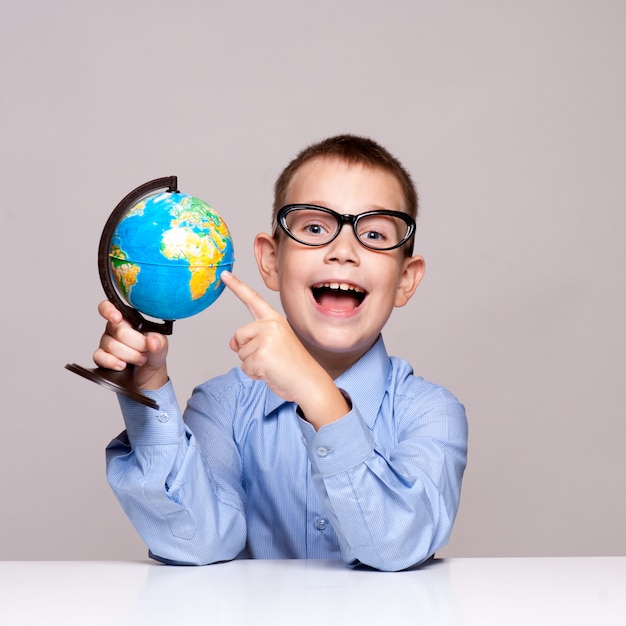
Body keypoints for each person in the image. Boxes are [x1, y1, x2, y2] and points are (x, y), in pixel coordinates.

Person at [96, 134, 468, 571]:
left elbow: (396, 545)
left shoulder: (431, 413)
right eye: (314, 228)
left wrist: (315, 392)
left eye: (372, 233)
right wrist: (148, 386)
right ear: (270, 261)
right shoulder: (223, 406)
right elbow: (198, 543)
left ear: (406, 279)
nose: (343, 252)